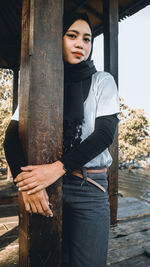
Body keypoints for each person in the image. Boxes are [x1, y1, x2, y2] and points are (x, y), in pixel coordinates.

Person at [4, 12, 120, 267]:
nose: (81, 44)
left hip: (89, 187)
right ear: (58, 39)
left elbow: (104, 135)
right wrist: (28, 185)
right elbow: (11, 137)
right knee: (49, 261)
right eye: (72, 36)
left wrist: (55, 169)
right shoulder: (41, 82)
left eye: (87, 39)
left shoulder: (103, 81)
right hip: (47, 188)